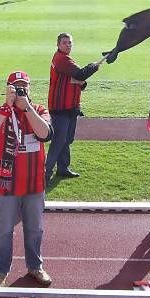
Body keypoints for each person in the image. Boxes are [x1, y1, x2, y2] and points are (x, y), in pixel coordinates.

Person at [0, 71, 53, 288]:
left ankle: (35, 266)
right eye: (16, 87)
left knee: (35, 228)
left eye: (24, 86)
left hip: (34, 184)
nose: (20, 90)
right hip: (6, 185)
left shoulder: (40, 110)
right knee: (3, 230)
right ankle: (1, 271)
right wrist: (7, 108)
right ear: (8, 89)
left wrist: (27, 108)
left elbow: (45, 133)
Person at [45, 33, 99, 184]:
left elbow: (77, 79)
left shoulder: (64, 60)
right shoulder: (62, 59)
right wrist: (93, 66)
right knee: (59, 140)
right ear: (58, 45)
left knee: (67, 139)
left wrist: (81, 81)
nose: (68, 45)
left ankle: (62, 168)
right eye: (64, 43)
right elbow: (80, 73)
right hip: (60, 108)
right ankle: (46, 173)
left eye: (70, 42)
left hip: (70, 107)